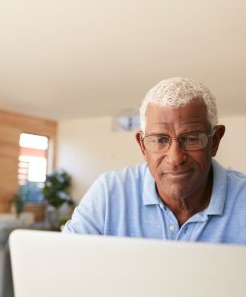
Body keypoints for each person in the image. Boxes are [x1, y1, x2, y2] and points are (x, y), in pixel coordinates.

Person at [63, 77, 246, 245]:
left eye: (191, 139)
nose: (175, 159)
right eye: (160, 140)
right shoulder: (110, 192)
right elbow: (65, 263)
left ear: (215, 141)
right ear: (142, 146)